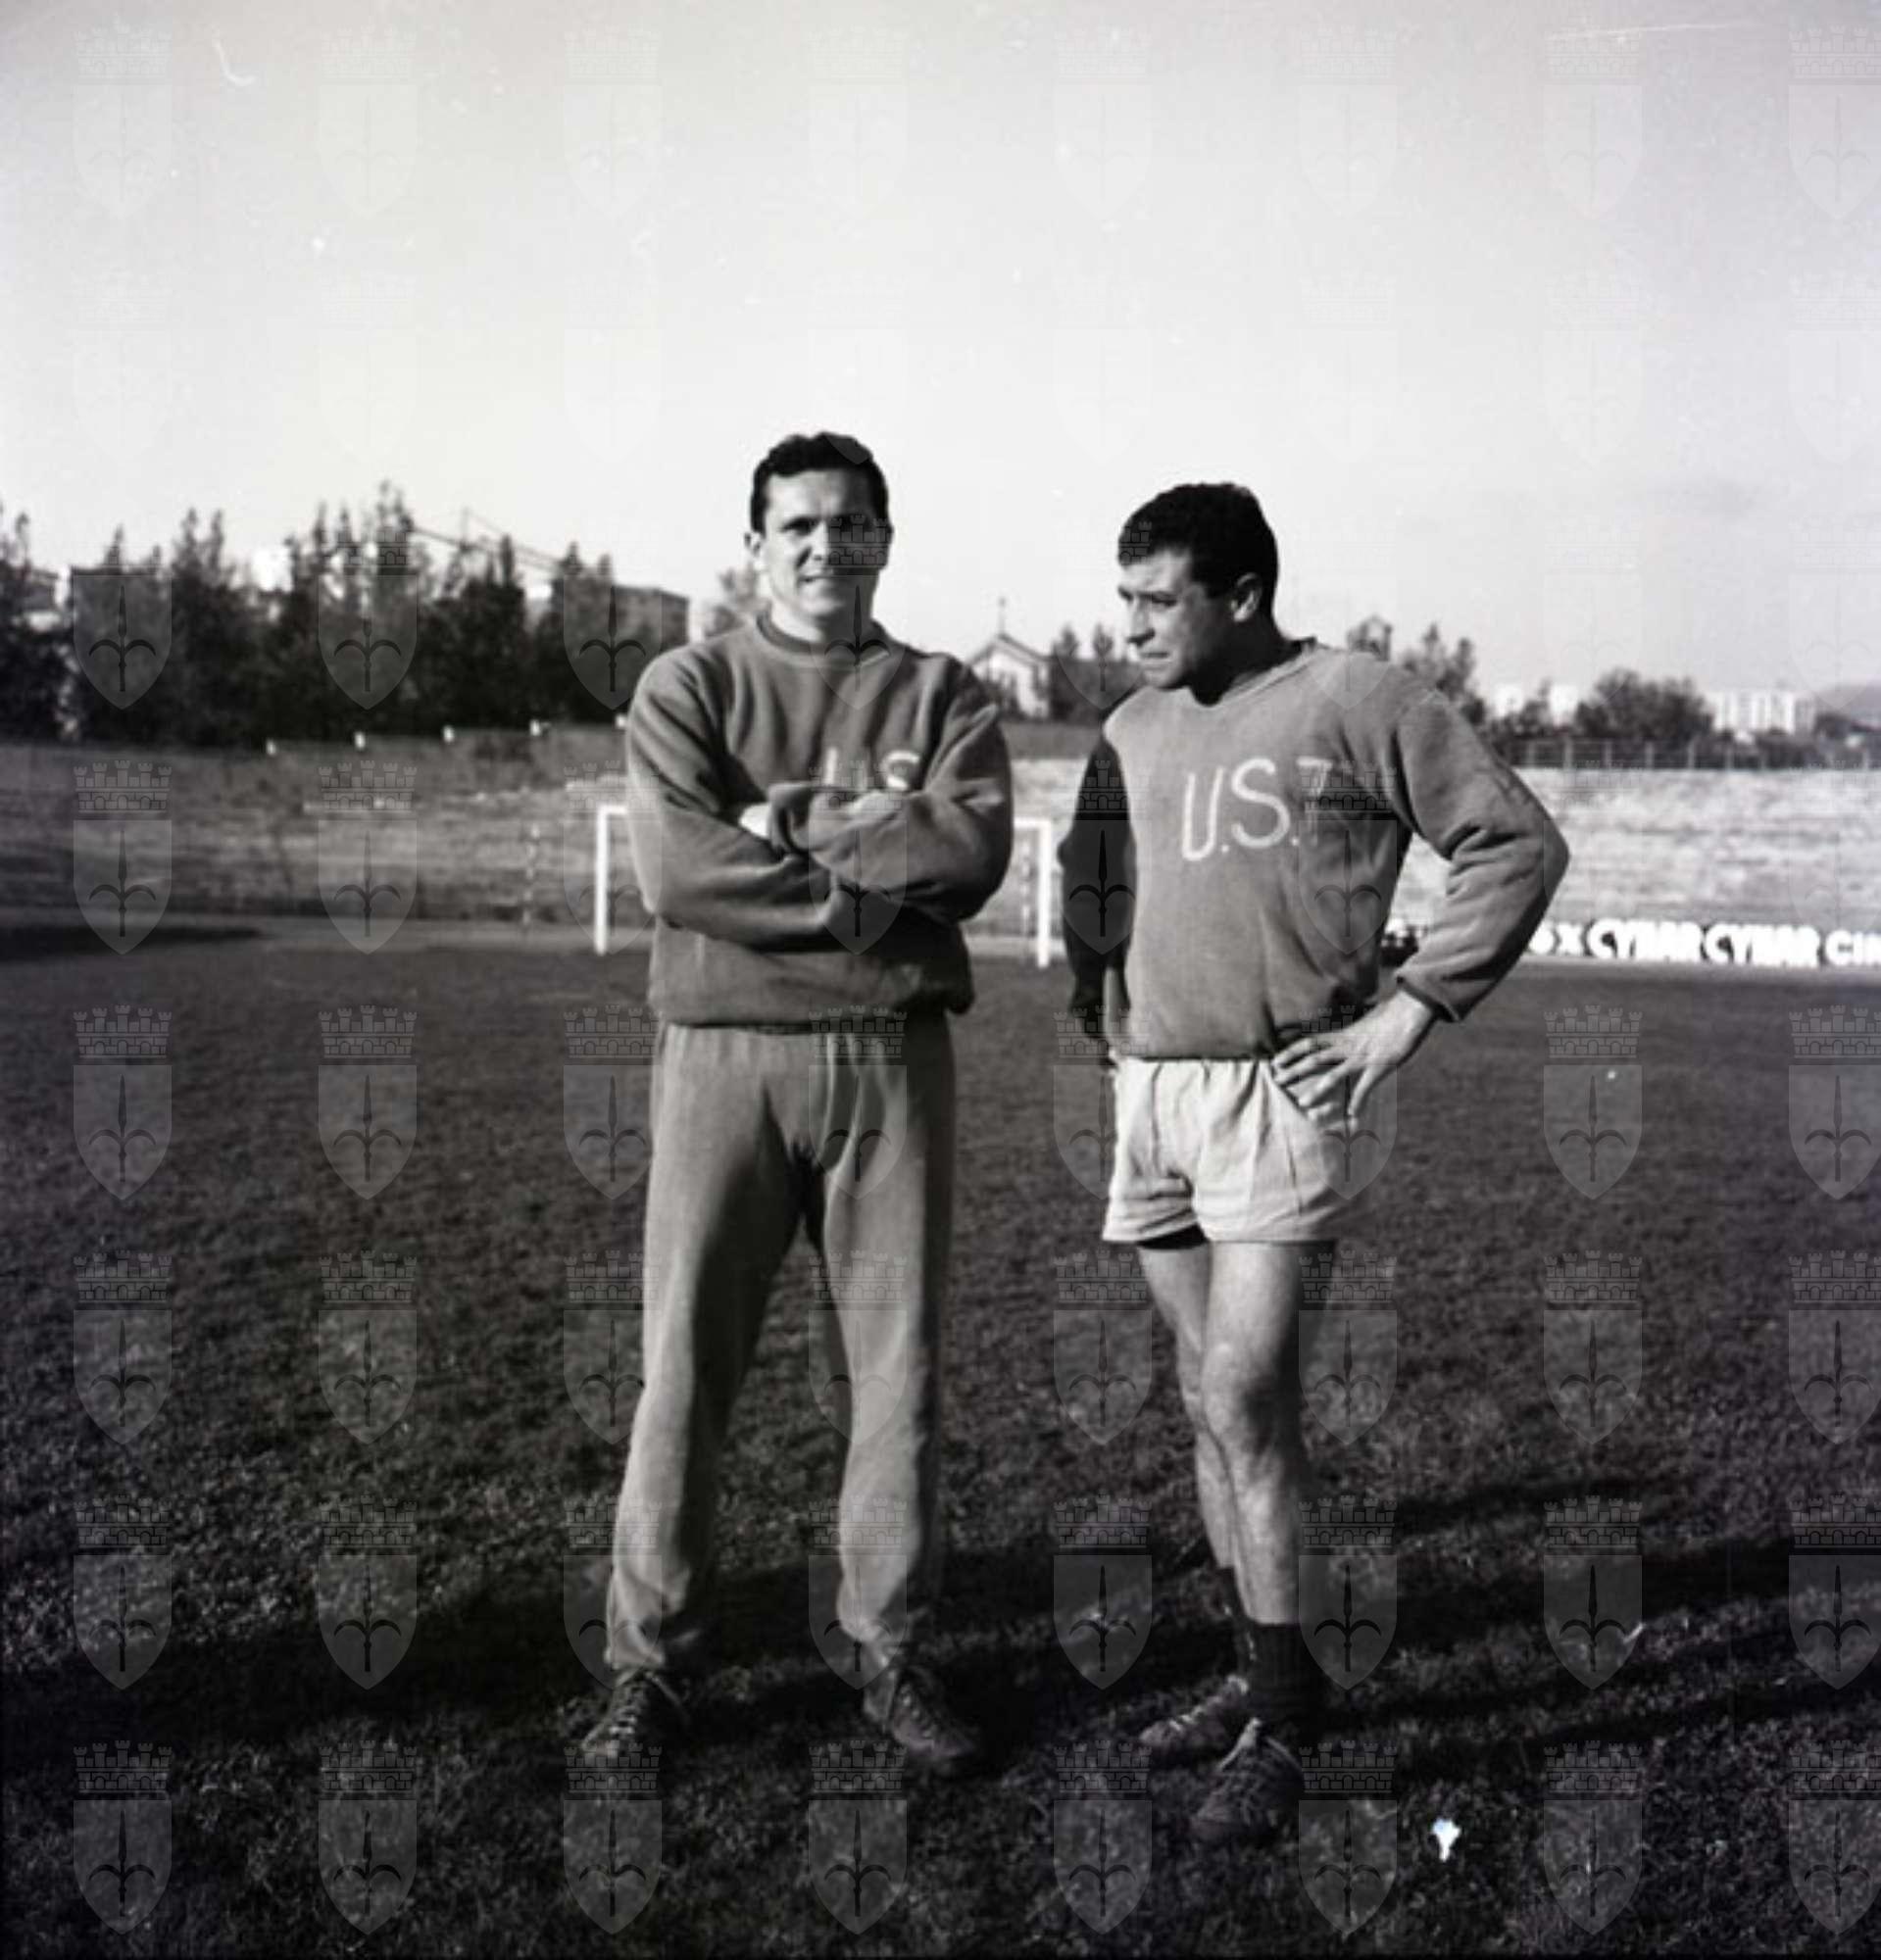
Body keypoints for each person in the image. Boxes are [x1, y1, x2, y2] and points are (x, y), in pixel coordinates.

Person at [1059, 482, 1567, 1846]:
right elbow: (1097, 880)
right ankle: (1255, 1675)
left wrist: (1408, 1014)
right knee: (1202, 1399)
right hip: (1154, 1093)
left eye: (1157, 601)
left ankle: (1288, 1725)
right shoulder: (1130, 727)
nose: (1129, 628)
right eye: (1123, 600)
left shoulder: (1358, 699)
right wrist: (1105, 1017)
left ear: (1242, 595)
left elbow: (1515, 844)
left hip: (1284, 1093)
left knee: (1248, 1398)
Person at [582, 431, 1012, 1779]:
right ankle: (652, 1667)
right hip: (725, 1056)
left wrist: (790, 823)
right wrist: (873, 894)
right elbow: (680, 872)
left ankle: (890, 1651)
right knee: (685, 1369)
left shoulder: (944, 693)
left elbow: (970, 851)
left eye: (851, 523)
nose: (827, 546)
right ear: (756, 546)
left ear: (885, 538)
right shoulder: (691, 683)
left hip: (892, 1063)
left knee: (899, 1373)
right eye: (799, 526)